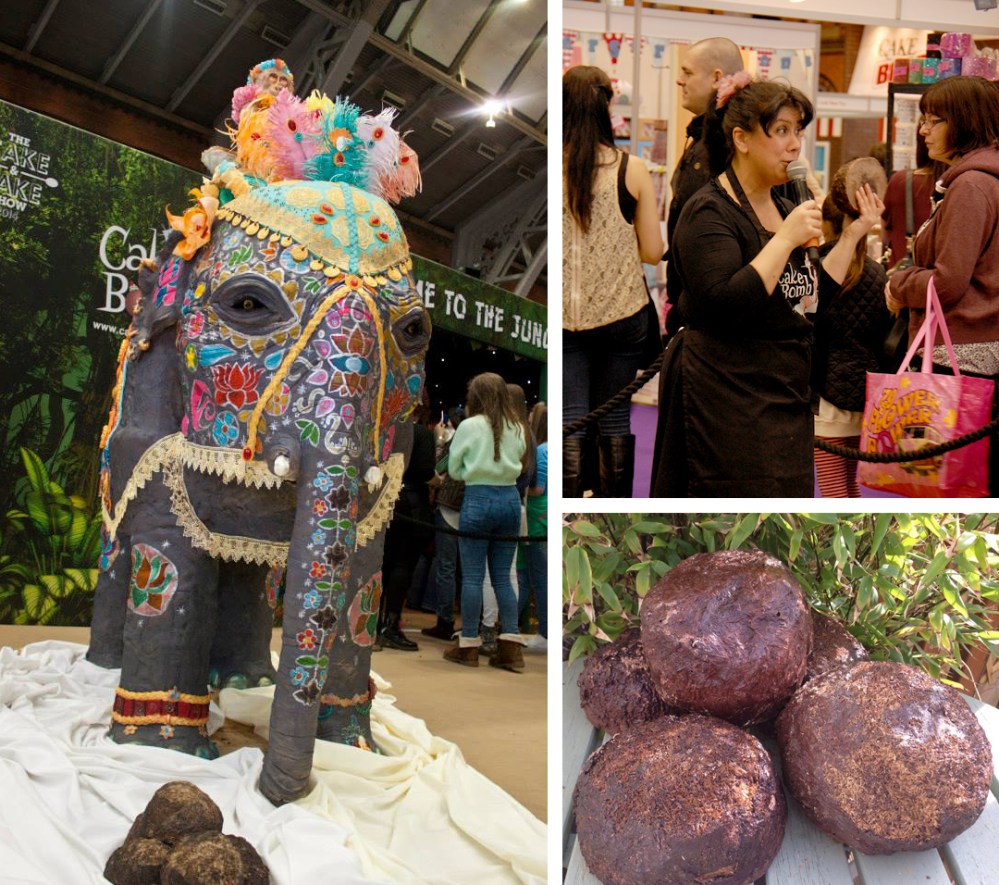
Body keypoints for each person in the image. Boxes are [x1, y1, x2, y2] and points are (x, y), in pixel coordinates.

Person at [650, 77, 884, 496]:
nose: (794, 145)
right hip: (723, 395)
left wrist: (851, 236)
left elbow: (808, 300)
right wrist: (785, 239)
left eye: (798, 131)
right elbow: (725, 302)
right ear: (741, 138)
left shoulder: (784, 204)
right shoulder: (708, 211)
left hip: (784, 393)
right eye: (780, 131)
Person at [886, 75, 999, 492]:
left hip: (960, 354)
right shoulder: (975, 179)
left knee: (944, 479)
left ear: (965, 122)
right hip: (974, 351)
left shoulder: (971, 185)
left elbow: (949, 282)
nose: (923, 130)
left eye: (934, 120)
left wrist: (900, 285)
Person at [563, 65, 664, 498]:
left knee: (571, 417)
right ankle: (609, 504)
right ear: (607, 106)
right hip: (623, 312)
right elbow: (652, 252)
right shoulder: (632, 168)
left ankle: (571, 510)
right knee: (616, 417)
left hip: (567, 315)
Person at [443, 373, 527, 671]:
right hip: (510, 501)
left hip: (477, 498)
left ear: (475, 397)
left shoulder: (469, 425)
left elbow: (453, 469)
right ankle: (511, 648)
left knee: (473, 577)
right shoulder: (516, 426)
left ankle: (468, 645)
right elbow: (520, 458)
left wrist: (472, 470)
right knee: (503, 577)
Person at [812, 192, 892, 497]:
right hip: (863, 392)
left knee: (833, 490)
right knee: (849, 487)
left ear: (826, 223)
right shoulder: (876, 272)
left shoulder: (818, 267)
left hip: (827, 396)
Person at [664, 37, 746, 337]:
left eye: (687, 72)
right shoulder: (706, 141)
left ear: (715, 78)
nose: (679, 80)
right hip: (694, 307)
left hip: (705, 315)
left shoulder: (720, 147)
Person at [376, 410, 435, 651]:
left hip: (381, 499)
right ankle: (390, 625)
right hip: (410, 504)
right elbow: (425, 470)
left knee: (382, 564)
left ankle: (371, 623)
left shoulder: (384, 428)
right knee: (403, 564)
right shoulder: (420, 433)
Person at [881, 131, 942, 269]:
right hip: (936, 278)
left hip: (900, 276)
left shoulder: (900, 181)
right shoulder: (957, 184)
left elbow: (885, 235)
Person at [521, 402, 547, 651]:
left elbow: (538, 489)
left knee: (539, 579)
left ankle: (546, 632)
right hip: (547, 520)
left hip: (539, 519)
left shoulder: (540, 451)